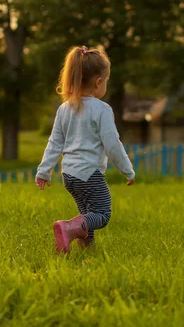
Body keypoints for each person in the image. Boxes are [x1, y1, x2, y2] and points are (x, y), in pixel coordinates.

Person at [35, 45, 135, 254]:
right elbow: (112, 144)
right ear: (98, 82)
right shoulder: (102, 109)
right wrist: (127, 170)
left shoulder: (64, 108)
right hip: (90, 173)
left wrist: (44, 171)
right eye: (106, 81)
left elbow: (54, 142)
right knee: (102, 213)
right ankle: (69, 228)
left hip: (69, 175)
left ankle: (87, 248)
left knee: (87, 212)